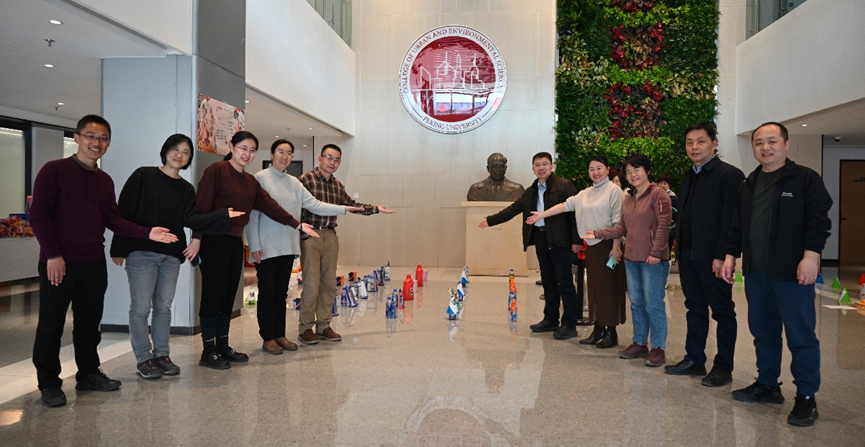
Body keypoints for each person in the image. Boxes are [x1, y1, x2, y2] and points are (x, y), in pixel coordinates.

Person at [30, 115, 179, 407]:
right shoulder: (54, 170)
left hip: (93, 264)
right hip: (58, 263)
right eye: (90, 136)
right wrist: (53, 255)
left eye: (103, 138)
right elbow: (39, 216)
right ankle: (48, 383)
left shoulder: (104, 180)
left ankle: (88, 374)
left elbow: (113, 219)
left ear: (108, 143)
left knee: (88, 325)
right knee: (51, 325)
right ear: (77, 137)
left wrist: (148, 232)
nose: (96, 143)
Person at [722, 122, 831, 427]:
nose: (765, 147)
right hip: (756, 272)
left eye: (772, 141)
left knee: (800, 336)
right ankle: (768, 384)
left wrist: (811, 256)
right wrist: (730, 255)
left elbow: (818, 221)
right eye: (759, 142)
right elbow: (737, 224)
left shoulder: (805, 179)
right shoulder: (749, 183)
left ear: (786, 144)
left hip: (791, 272)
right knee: (763, 332)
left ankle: (806, 396)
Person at [110, 134, 244, 379]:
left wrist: (222, 215)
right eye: (175, 149)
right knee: (141, 307)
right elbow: (124, 212)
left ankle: (162, 354)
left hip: (171, 255)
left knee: (164, 307)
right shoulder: (143, 175)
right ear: (165, 151)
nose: (179, 155)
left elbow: (190, 219)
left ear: (189, 158)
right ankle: (144, 358)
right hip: (142, 252)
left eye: (185, 152)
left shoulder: (186, 188)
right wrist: (118, 248)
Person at [190, 131, 319, 370]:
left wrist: (297, 224)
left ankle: (223, 346)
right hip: (213, 242)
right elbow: (201, 208)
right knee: (213, 296)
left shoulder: (250, 181)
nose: (247, 154)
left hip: (234, 243)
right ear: (232, 147)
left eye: (251, 150)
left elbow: (270, 206)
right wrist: (196, 239)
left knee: (229, 296)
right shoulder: (217, 171)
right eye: (243, 148)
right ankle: (208, 351)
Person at [246, 140, 362, 354]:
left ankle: (280, 335)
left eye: (289, 153)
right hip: (267, 246)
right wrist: (254, 244)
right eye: (281, 152)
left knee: (281, 294)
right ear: (272, 154)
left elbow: (315, 205)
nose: (284, 157)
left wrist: (345, 209)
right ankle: (268, 337)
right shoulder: (259, 179)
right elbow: (252, 215)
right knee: (268, 293)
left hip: (288, 245)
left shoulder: (294, 183)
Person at [663, 123, 745, 387]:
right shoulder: (690, 175)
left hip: (713, 258)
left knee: (722, 311)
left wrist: (724, 255)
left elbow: (732, 219)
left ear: (714, 144)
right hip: (688, 254)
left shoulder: (729, 175)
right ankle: (695, 359)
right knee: (694, 308)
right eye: (689, 142)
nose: (694, 147)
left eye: (700, 141)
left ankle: (723, 367)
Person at [298, 144, 396, 345]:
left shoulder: (337, 185)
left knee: (328, 283)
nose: (332, 163)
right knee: (311, 283)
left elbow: (352, 205)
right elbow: (295, 205)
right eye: (329, 158)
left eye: (336, 160)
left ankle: (324, 325)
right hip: (310, 235)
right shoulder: (306, 179)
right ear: (320, 158)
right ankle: (305, 328)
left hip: (330, 236)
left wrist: (375, 209)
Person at [526, 156, 626, 348]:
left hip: (608, 246)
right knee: (594, 290)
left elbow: (618, 222)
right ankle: (598, 328)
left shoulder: (614, 191)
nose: (595, 172)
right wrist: (541, 215)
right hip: (592, 246)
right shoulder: (585, 193)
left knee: (608, 290)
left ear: (607, 169)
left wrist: (615, 248)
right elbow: (565, 205)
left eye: (599, 168)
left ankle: (611, 332)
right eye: (592, 169)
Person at [480, 152, 580, 340]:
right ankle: (551, 319)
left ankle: (569, 324)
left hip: (561, 240)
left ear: (551, 166)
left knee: (565, 282)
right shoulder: (531, 191)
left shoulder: (564, 186)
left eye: (545, 164)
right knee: (548, 281)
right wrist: (491, 220)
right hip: (541, 238)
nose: (541, 168)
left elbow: (575, 213)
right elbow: (514, 209)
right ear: (533, 169)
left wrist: (576, 240)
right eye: (537, 165)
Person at [586, 153, 672, 366]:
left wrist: (656, 252)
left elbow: (664, 225)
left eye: (637, 170)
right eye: (629, 172)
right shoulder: (629, 197)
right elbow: (622, 228)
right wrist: (598, 233)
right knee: (637, 304)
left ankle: (658, 348)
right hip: (632, 259)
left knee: (654, 304)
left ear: (647, 171)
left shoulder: (658, 194)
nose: (633, 175)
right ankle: (640, 343)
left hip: (652, 260)